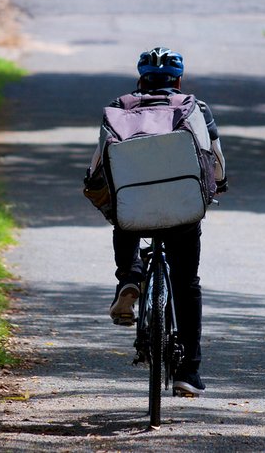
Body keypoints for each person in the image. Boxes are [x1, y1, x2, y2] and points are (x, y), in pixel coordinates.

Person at [85, 47, 227, 396]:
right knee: (186, 283)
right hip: (182, 213)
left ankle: (129, 280)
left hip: (134, 212)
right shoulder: (197, 109)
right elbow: (217, 163)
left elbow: (99, 167)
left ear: (140, 77)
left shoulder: (119, 108)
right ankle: (188, 373)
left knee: (124, 215)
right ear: (178, 80)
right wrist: (217, 184)